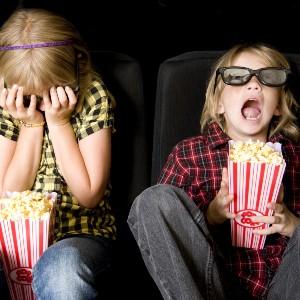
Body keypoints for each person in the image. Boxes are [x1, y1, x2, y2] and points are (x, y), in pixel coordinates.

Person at [128, 43, 300, 300]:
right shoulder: (188, 156)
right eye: (238, 77)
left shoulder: (295, 156)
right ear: (219, 103)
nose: (254, 85)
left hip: (284, 287)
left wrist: (290, 224)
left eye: (267, 78)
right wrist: (212, 215)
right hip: (211, 288)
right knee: (153, 200)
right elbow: (161, 239)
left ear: (278, 106)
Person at [0, 8, 116, 299]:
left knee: (61, 268)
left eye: (48, 93)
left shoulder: (92, 95)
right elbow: (8, 196)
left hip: (79, 236)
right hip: (16, 240)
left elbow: (89, 194)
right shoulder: (9, 103)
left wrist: (59, 122)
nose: (38, 103)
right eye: (30, 97)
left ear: (76, 66)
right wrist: (31, 124)